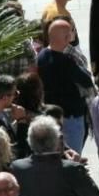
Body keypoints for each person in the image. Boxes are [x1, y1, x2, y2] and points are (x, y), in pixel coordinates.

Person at [11, 117, 99, 196]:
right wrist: (75, 167)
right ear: (57, 141)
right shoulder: (72, 169)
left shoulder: (17, 168)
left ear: (30, 141)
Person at [37, 18, 95, 154]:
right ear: (66, 37)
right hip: (71, 117)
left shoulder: (42, 56)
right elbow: (86, 80)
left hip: (51, 114)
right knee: (73, 156)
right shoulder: (66, 61)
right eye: (70, 33)